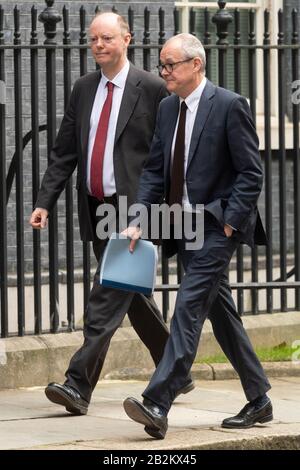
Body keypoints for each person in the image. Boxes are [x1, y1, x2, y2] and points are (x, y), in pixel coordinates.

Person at [30, 13, 194, 416]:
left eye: (107, 38)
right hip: (97, 206)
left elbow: (169, 152)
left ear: (126, 39)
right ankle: (177, 371)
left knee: (106, 293)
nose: (99, 45)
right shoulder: (84, 88)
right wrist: (43, 201)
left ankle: (77, 384)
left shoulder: (153, 88)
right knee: (130, 294)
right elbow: (66, 149)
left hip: (136, 209)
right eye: (93, 39)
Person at [123, 33, 272, 439]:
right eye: (162, 65)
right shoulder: (169, 108)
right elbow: (154, 169)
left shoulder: (228, 105)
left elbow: (250, 171)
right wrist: (138, 218)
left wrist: (229, 221)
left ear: (196, 65)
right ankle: (259, 398)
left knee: (187, 307)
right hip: (182, 225)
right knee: (221, 314)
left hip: (216, 226)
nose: (164, 72)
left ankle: (158, 401)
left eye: (171, 64)